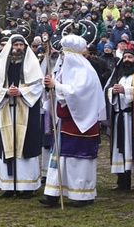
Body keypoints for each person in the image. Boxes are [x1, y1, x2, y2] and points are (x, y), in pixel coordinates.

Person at [40, 35, 106, 207]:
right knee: (59, 159)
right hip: (64, 122)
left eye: (64, 54)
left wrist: (57, 86)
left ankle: (82, 195)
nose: (62, 57)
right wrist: (49, 86)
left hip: (81, 123)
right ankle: (53, 193)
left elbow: (77, 94)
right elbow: (57, 94)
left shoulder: (86, 72)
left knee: (78, 160)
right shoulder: (63, 71)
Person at [0, 34, 44, 199]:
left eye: (21, 45)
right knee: (7, 146)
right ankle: (9, 185)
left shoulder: (32, 64)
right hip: (6, 109)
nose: (18, 47)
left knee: (26, 146)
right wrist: (5, 92)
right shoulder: (2, 65)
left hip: (25, 109)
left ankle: (27, 186)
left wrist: (21, 92)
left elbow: (37, 85)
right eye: (16, 45)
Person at [106, 48, 134, 192]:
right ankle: (122, 182)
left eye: (130, 57)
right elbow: (108, 89)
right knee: (120, 150)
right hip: (119, 117)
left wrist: (126, 90)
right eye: (125, 57)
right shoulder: (119, 73)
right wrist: (113, 91)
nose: (127, 60)